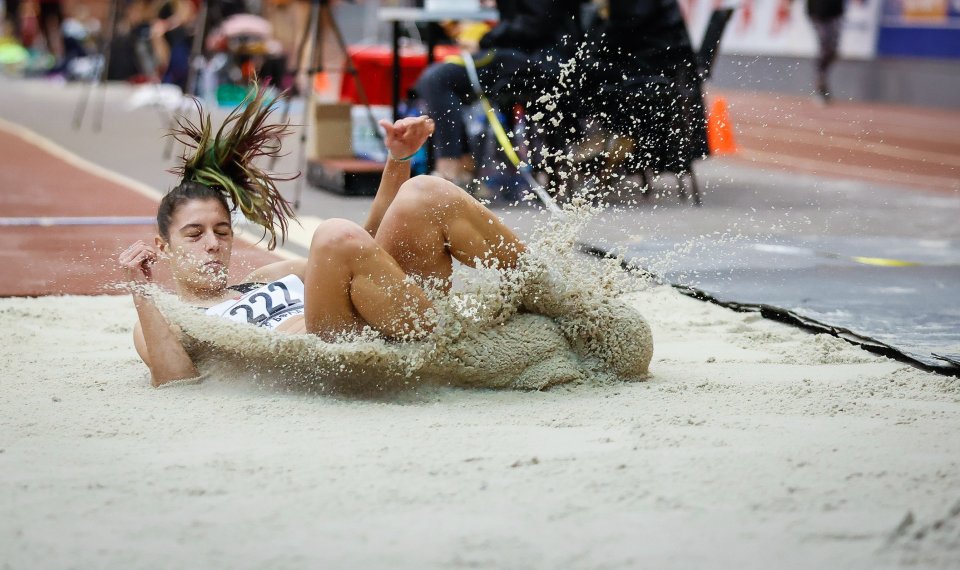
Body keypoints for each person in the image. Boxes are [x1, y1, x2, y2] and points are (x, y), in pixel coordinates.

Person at [118, 89, 527, 387]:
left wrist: (398, 160)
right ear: (162, 246)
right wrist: (142, 291)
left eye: (222, 231)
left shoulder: (270, 276)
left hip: (394, 318)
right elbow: (175, 381)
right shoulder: (170, 320)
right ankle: (453, 334)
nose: (212, 243)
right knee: (332, 234)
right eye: (195, 234)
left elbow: (365, 249)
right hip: (330, 357)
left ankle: (547, 289)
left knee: (427, 192)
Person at [411, 0, 583, 187]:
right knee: (436, 79)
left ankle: (451, 168)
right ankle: (461, 163)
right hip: (529, 54)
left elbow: (535, 23)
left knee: (436, 79)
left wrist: (484, 38)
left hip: (538, 59)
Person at [782, 0, 845, 102]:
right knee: (825, 44)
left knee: (833, 49)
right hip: (817, 11)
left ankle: (822, 76)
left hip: (835, 11)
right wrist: (789, 3)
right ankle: (820, 81)